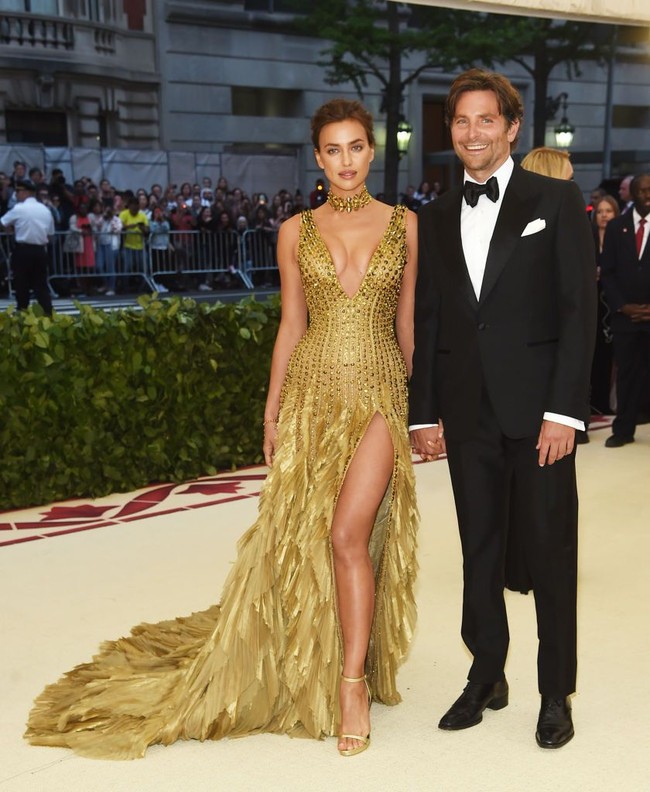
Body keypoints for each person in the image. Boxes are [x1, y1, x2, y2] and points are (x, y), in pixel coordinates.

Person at [24, 98, 419, 760]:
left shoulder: (407, 226)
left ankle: (352, 682)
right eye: (334, 150)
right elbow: (291, 324)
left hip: (380, 389)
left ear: (371, 151)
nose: (346, 161)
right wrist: (272, 410)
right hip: (314, 394)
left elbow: (408, 323)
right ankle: (326, 655)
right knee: (308, 535)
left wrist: (417, 406)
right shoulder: (295, 230)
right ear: (317, 157)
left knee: (349, 532)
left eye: (357, 147)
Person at [410, 69, 596, 750]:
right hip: (467, 413)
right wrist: (423, 414)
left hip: (540, 413)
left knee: (550, 553)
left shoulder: (556, 197)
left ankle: (555, 692)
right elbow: (430, 320)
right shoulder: (432, 215)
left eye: (486, 120)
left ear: (513, 127)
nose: (472, 134)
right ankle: (486, 672)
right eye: (460, 122)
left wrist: (564, 412)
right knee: (479, 551)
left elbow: (580, 314)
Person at [600, 173, 650, 447]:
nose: (648, 195)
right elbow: (608, 273)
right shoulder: (617, 227)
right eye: (642, 191)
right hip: (625, 318)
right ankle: (623, 429)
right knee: (628, 374)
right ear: (631, 193)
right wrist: (623, 305)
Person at [0, 179, 54, 315]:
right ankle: (48, 314)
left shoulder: (19, 208)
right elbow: (50, 234)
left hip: (23, 250)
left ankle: (22, 313)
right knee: (41, 285)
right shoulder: (45, 210)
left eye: (18, 191)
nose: (16, 194)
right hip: (40, 250)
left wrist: (11, 230)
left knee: (21, 284)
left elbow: (3, 222)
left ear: (26, 192)